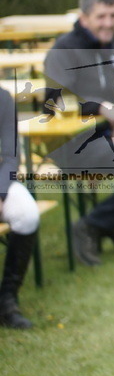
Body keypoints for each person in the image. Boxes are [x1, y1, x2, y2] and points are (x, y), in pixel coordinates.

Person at [44, 0, 114, 266]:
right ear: (84, 18)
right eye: (101, 16)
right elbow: (53, 102)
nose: (109, 23)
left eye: (113, 15)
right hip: (71, 144)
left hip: (107, 136)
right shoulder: (63, 50)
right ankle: (92, 225)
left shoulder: (110, 46)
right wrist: (99, 108)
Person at [0, 87, 41, 329]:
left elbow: (11, 156)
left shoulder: (2, 98)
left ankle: (6, 301)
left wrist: (1, 194)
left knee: (27, 214)